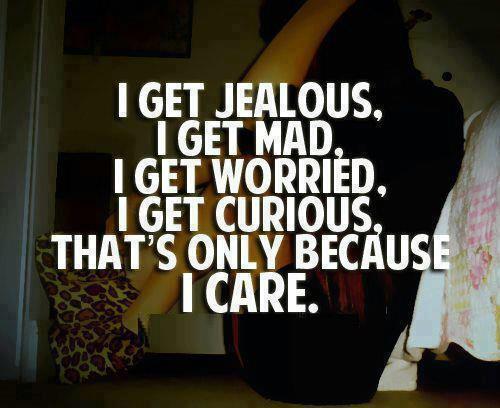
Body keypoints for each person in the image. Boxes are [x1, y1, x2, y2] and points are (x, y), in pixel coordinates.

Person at [103, 0, 463, 403]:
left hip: (298, 354)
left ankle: (120, 327)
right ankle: (121, 324)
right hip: (333, 361)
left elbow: (243, 127)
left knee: (241, 180)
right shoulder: (433, 111)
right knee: (232, 187)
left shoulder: (385, 113)